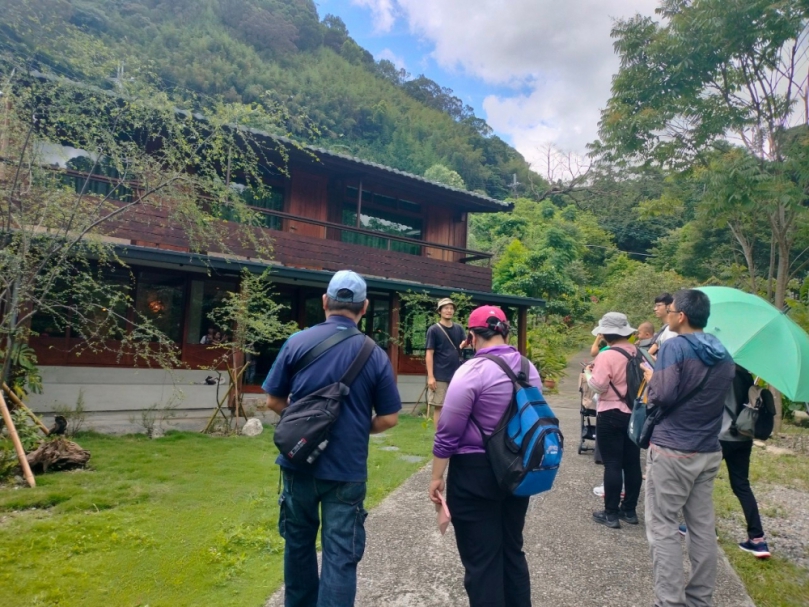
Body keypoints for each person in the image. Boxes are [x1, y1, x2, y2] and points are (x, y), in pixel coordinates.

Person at [263, 270, 402, 607]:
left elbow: (273, 400)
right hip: (347, 470)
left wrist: (306, 427)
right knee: (340, 556)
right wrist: (357, 427)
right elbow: (389, 418)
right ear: (364, 307)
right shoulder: (375, 354)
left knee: (298, 546)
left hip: (299, 462)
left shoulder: (297, 341)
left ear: (324, 302)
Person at [429, 305, 537, 607]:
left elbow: (448, 433)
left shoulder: (472, 371)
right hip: (518, 471)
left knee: (482, 562)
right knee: (512, 551)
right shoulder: (528, 368)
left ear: (472, 337)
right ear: (504, 331)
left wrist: (437, 477)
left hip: (475, 473)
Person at [643, 289, 735, 607]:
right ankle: (700, 600)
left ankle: (670, 601)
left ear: (680, 316)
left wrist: (653, 378)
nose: (667, 314)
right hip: (708, 449)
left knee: (663, 525)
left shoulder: (675, 347)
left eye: (669, 310)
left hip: (672, 449)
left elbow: (663, 395)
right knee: (701, 527)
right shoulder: (724, 352)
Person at [586, 312, 643, 528]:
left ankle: (610, 513)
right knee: (632, 463)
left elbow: (599, 386)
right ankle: (629, 511)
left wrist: (588, 375)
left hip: (610, 412)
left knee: (612, 464)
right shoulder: (637, 352)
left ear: (606, 333)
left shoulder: (606, 355)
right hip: (634, 414)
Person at [719, 365, 771, 558]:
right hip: (743, 437)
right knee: (742, 485)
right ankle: (757, 539)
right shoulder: (748, 377)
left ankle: (703, 528)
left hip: (722, 435)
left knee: (701, 481)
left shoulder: (723, 373)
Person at [425, 297, 466, 425]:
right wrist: (431, 377)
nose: (449, 310)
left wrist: (470, 340)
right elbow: (429, 353)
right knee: (439, 406)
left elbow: (463, 345)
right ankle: (439, 438)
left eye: (451, 308)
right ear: (440, 311)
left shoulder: (459, 329)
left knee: (456, 407)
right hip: (440, 375)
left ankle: (451, 434)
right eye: (446, 308)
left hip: (457, 374)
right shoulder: (434, 329)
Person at [648, 293, 676, 357]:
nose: (655, 309)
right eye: (655, 306)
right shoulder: (664, 328)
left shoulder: (671, 330)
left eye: (658, 306)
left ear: (668, 306)